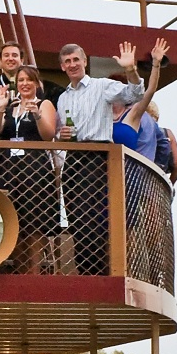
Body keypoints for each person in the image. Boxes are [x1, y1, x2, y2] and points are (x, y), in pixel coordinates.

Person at [51, 41, 144, 276]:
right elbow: (63, 134)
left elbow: (135, 93)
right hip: (73, 158)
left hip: (97, 157)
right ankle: (86, 273)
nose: (72, 65)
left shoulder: (101, 86)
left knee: (94, 219)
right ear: (62, 66)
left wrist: (130, 69)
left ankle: (101, 273)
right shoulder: (63, 98)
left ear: (84, 61)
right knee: (76, 221)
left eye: (76, 60)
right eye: (67, 61)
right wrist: (62, 137)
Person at [0, 63, 61, 273]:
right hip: (9, 168)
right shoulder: (11, 106)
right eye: (21, 80)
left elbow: (48, 135)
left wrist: (37, 114)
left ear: (37, 83)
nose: (25, 84)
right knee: (13, 217)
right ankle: (20, 271)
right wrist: (0, 108)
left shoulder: (44, 103)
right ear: (16, 84)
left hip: (34, 167)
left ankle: (34, 272)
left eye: (29, 79)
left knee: (34, 219)